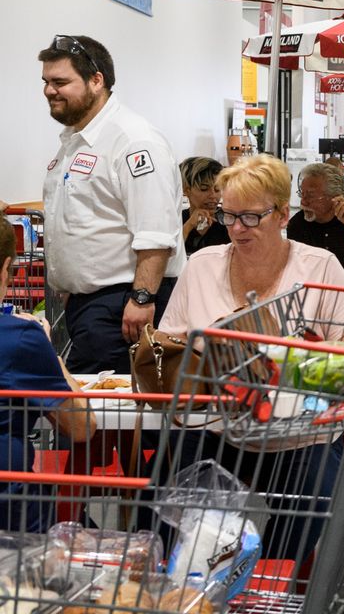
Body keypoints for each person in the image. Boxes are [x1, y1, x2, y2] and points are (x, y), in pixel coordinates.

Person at [156, 155, 344, 559]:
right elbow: (168, 347)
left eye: (251, 217)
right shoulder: (201, 267)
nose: (236, 228)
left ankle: (266, 581)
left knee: (312, 505)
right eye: (228, 215)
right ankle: (185, 582)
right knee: (168, 505)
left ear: (283, 214)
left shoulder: (319, 268)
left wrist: (298, 365)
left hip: (299, 436)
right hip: (216, 429)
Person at [39, 34, 185, 373]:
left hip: (124, 308)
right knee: (96, 414)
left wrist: (142, 299)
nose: (49, 90)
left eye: (60, 82)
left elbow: (155, 232)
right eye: (46, 82)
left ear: (96, 80)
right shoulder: (78, 140)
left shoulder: (133, 140)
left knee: (100, 417)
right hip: (91, 306)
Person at [0, 217, 95, 532]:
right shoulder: (20, 338)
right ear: (6, 269)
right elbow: (81, 427)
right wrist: (52, 355)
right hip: (10, 514)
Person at [180, 156, 230, 256]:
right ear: (187, 190)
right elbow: (169, 257)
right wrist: (188, 226)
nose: (213, 196)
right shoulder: (177, 221)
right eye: (204, 189)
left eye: (217, 189)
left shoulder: (229, 221)